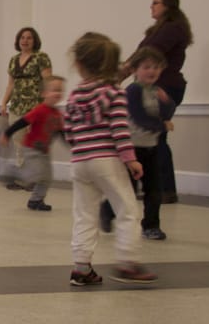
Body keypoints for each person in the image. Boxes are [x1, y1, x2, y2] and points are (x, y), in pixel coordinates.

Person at [64, 32, 157, 286]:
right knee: (127, 210)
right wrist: (131, 160)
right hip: (106, 160)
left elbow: (69, 131)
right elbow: (119, 130)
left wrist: (80, 148)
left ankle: (81, 267)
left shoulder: (74, 95)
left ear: (80, 64)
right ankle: (128, 263)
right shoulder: (113, 92)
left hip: (79, 162)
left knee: (84, 214)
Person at [122, 0, 193, 204]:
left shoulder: (172, 28)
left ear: (168, 6)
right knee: (153, 135)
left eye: (156, 3)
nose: (151, 6)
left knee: (155, 134)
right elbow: (139, 57)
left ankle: (163, 189)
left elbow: (147, 55)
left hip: (164, 87)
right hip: (156, 87)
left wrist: (119, 75)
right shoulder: (159, 29)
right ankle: (160, 188)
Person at [100, 47, 176, 239]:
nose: (152, 71)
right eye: (147, 67)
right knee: (128, 190)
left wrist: (166, 102)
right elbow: (140, 117)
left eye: (156, 67)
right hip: (131, 149)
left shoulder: (155, 91)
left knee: (154, 189)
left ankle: (151, 226)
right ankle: (107, 210)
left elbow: (167, 112)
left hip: (151, 147)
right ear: (135, 70)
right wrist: (162, 125)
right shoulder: (133, 90)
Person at [0, 75, 65, 212]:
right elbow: (22, 122)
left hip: (44, 151)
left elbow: (61, 133)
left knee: (46, 177)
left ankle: (36, 200)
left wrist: (74, 146)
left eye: (60, 90)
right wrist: (7, 133)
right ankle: (13, 172)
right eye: (54, 90)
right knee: (34, 175)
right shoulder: (40, 110)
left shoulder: (58, 114)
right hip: (31, 148)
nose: (58, 93)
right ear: (44, 93)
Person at [0, 27, 52, 190]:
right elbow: (11, 84)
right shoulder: (13, 60)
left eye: (29, 38)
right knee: (19, 144)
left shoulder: (41, 58)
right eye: (22, 37)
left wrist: (46, 103)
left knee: (34, 144)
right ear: (18, 41)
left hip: (35, 106)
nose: (25, 40)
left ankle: (37, 178)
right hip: (17, 107)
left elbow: (48, 81)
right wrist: (3, 102)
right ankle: (25, 177)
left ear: (34, 40)